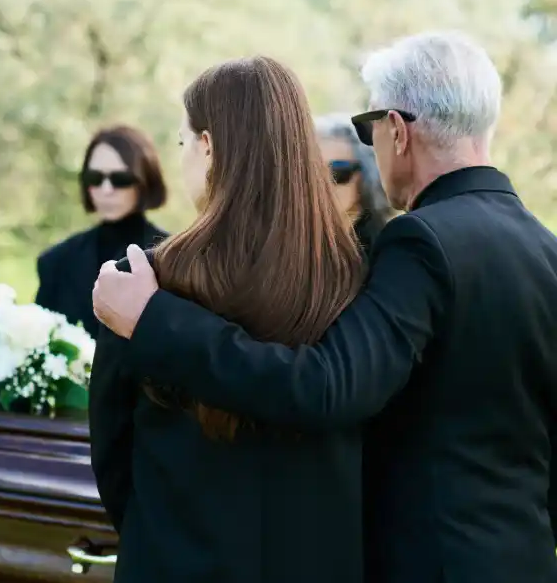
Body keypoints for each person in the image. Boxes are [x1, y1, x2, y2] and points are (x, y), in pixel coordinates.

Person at [92, 32, 557, 583]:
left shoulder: (418, 245)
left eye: (369, 131)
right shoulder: (545, 250)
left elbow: (324, 387)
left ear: (398, 131)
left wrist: (152, 320)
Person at [90, 57, 365, 583]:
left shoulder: (145, 282)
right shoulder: (356, 274)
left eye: (181, 143)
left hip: (175, 560)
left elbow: (113, 452)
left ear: (209, 147)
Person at [35, 125, 167, 339]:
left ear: (144, 181)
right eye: (95, 178)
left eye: (120, 179)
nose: (106, 190)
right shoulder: (56, 262)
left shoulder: (174, 258)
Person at [316, 113, 394, 255]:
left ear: (366, 175)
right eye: (313, 173)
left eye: (338, 172)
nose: (324, 185)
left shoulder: (389, 247)